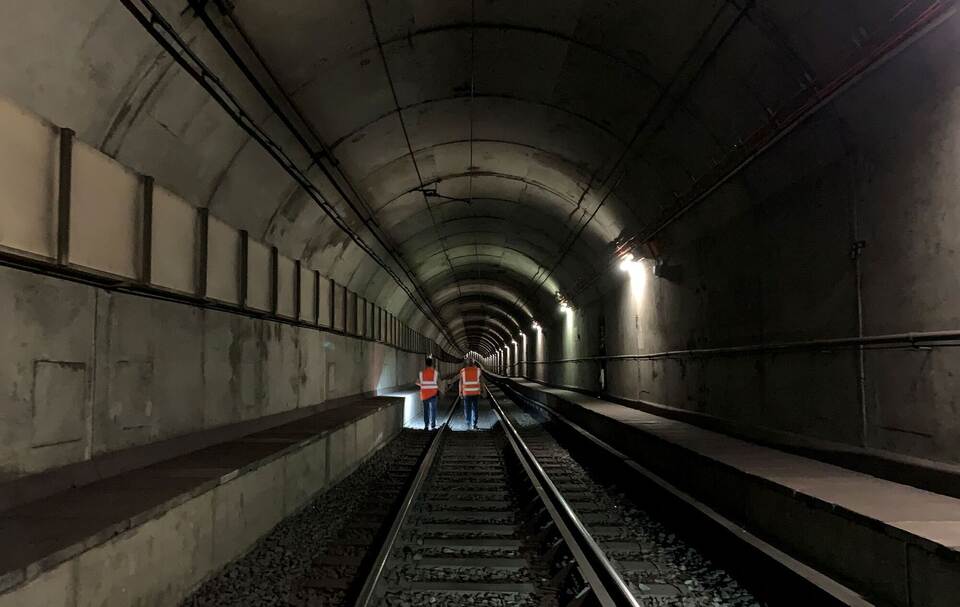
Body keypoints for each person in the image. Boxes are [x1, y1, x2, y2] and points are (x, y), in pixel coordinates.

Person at [460, 356, 482, 430]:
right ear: (474, 362)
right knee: (475, 409)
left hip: (466, 393)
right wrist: (483, 391)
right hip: (476, 393)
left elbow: (461, 382)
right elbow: (481, 382)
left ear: (467, 363)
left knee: (467, 409)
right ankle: (474, 424)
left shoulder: (463, 371)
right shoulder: (478, 370)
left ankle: (468, 424)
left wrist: (460, 392)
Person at [417, 357, 439, 430]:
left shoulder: (421, 373)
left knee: (426, 410)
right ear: (432, 364)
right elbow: (437, 382)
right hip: (433, 394)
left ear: (426, 364)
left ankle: (426, 425)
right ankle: (433, 425)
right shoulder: (435, 373)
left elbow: (418, 382)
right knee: (433, 410)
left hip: (425, 394)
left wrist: (422, 385)